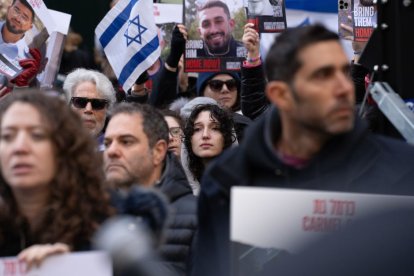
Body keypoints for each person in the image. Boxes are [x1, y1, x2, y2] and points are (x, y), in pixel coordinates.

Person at [191, 24, 414, 276]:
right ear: (281, 95)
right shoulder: (227, 182)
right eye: (323, 75)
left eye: (344, 72)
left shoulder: (402, 171)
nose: (343, 88)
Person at [0, 91, 113, 267]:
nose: (19, 148)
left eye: (37, 135)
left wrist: (69, 267)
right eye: (7, 137)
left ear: (64, 147)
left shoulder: (108, 227)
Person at [103, 103, 197, 276]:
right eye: (107, 143)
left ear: (158, 151)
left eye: (126, 141)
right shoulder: (89, 215)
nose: (112, 151)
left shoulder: (200, 215)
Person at [63, 68, 116, 150]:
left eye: (97, 104)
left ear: (107, 110)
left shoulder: (116, 152)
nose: (88, 109)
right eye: (80, 102)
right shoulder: (52, 149)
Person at [183, 104, 235, 183]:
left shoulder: (244, 183)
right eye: (197, 129)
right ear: (189, 138)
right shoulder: (175, 183)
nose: (205, 135)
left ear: (226, 136)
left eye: (215, 128)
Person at [0, 0, 43, 96]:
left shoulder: (28, 60)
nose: (18, 18)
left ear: (30, 27)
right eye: (16, 10)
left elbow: (18, 100)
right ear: (8, 9)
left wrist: (22, 84)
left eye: (25, 17)